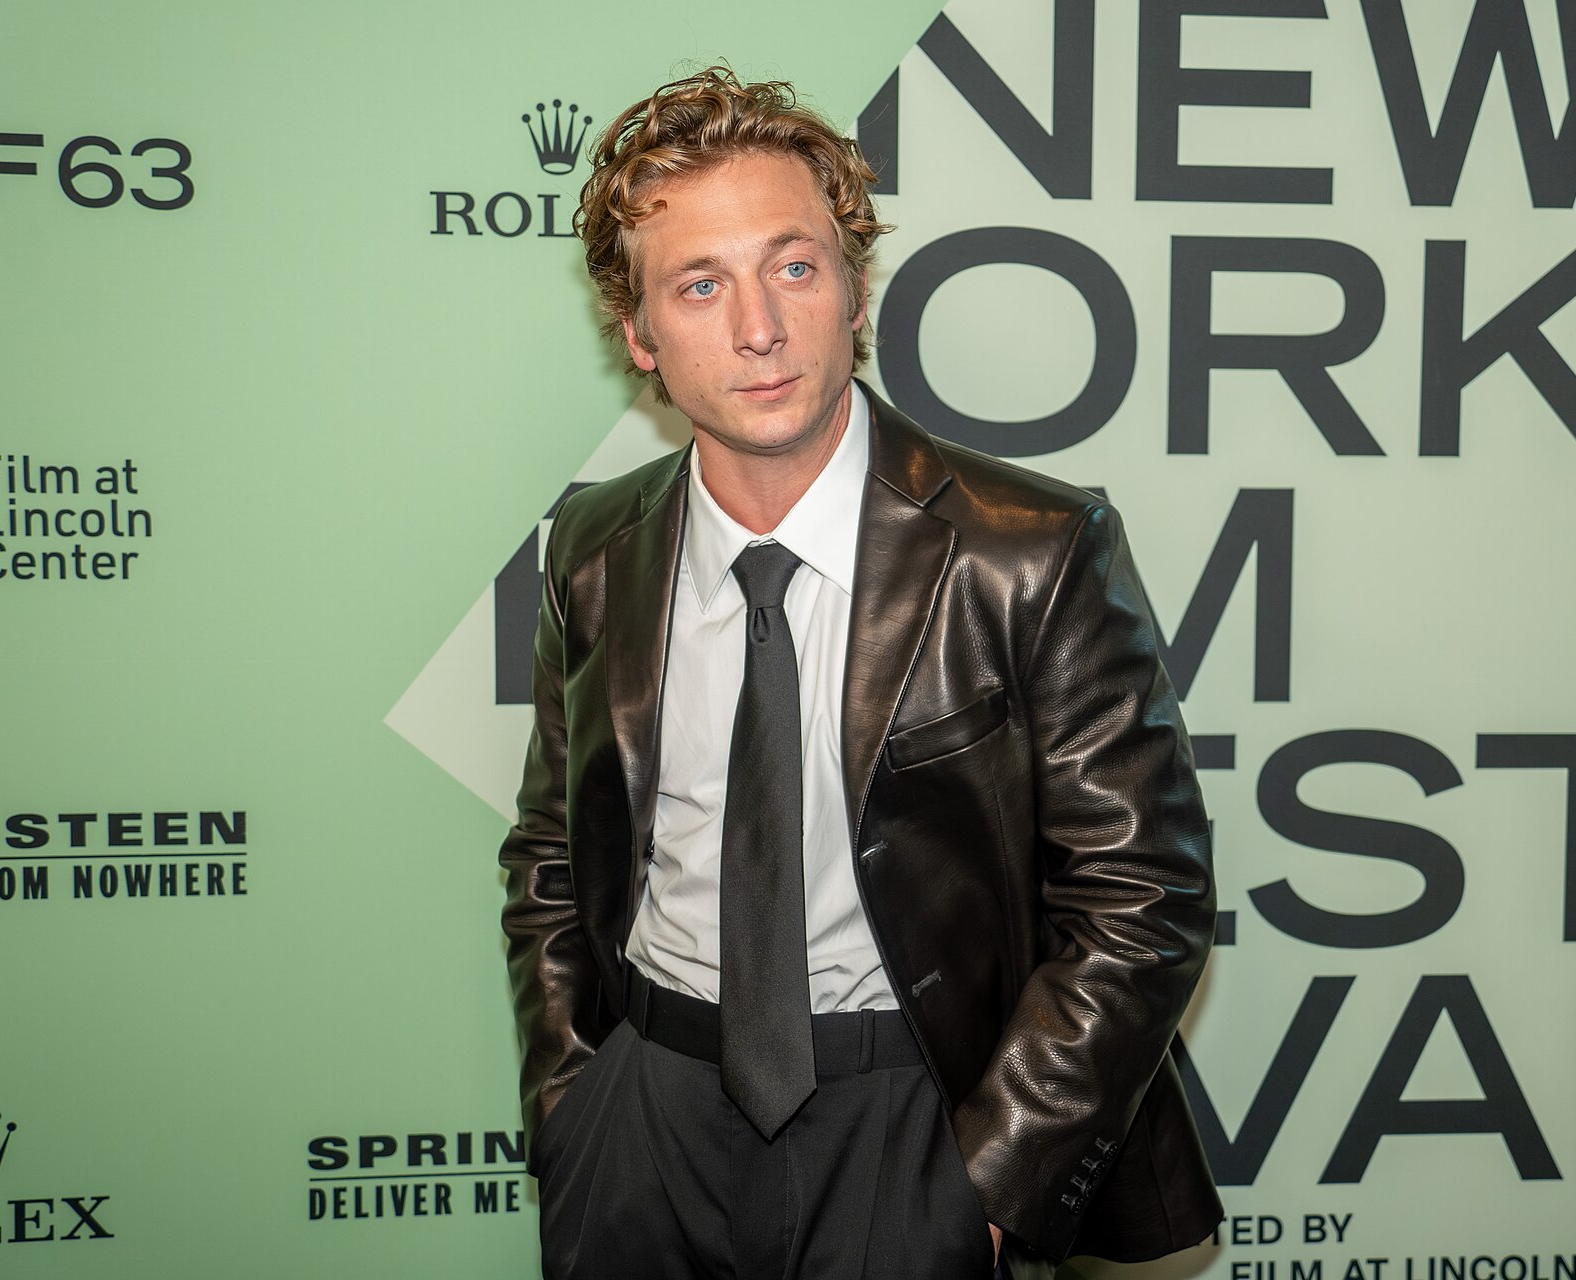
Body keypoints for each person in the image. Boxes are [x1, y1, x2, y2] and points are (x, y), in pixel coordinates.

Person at [499, 65, 1219, 1280]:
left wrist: (990, 1183)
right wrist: (576, 1099)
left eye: (792, 264)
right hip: (645, 1119)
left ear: (852, 287)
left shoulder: (1028, 551)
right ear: (639, 334)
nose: (758, 327)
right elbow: (552, 851)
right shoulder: (593, 544)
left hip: (918, 1120)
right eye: (699, 284)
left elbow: (1142, 895)